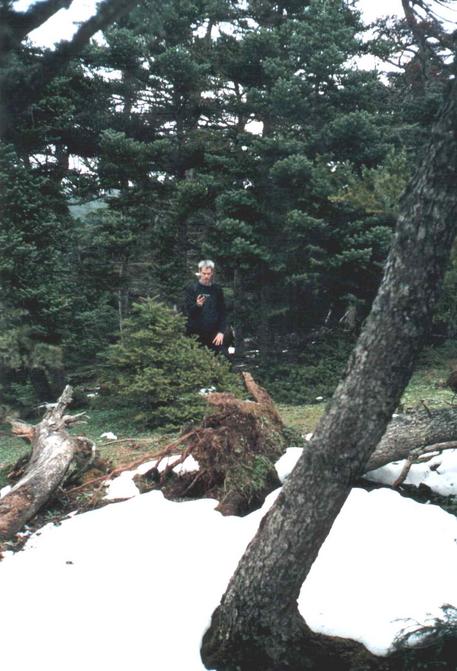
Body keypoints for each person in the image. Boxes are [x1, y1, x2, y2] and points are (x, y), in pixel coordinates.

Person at [184, 259, 227, 354]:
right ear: (199, 272)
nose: (206, 276)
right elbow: (188, 312)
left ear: (212, 273)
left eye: (208, 273)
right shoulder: (192, 288)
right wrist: (198, 305)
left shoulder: (217, 290)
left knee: (219, 360)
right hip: (196, 334)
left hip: (214, 335)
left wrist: (221, 332)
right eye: (204, 273)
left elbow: (222, 312)